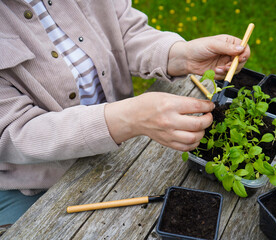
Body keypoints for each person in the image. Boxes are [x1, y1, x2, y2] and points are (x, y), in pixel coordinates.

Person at [0, 0, 250, 226]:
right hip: (34, 183)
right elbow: (13, 132)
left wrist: (180, 55)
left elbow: (125, 30)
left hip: (120, 148)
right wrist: (127, 118)